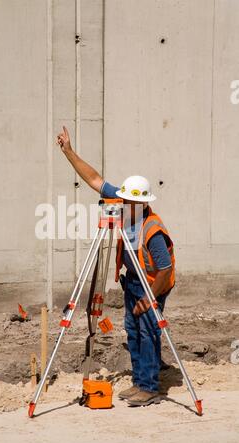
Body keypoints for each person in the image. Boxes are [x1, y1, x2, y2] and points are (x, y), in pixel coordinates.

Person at [56, 126, 175, 407]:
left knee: (148, 331)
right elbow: (94, 179)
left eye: (132, 201)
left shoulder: (152, 229)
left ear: (143, 202)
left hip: (153, 284)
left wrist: (149, 299)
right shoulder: (123, 202)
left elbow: (166, 268)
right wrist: (69, 152)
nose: (126, 204)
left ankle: (150, 386)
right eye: (126, 200)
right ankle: (139, 383)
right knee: (133, 331)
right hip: (133, 280)